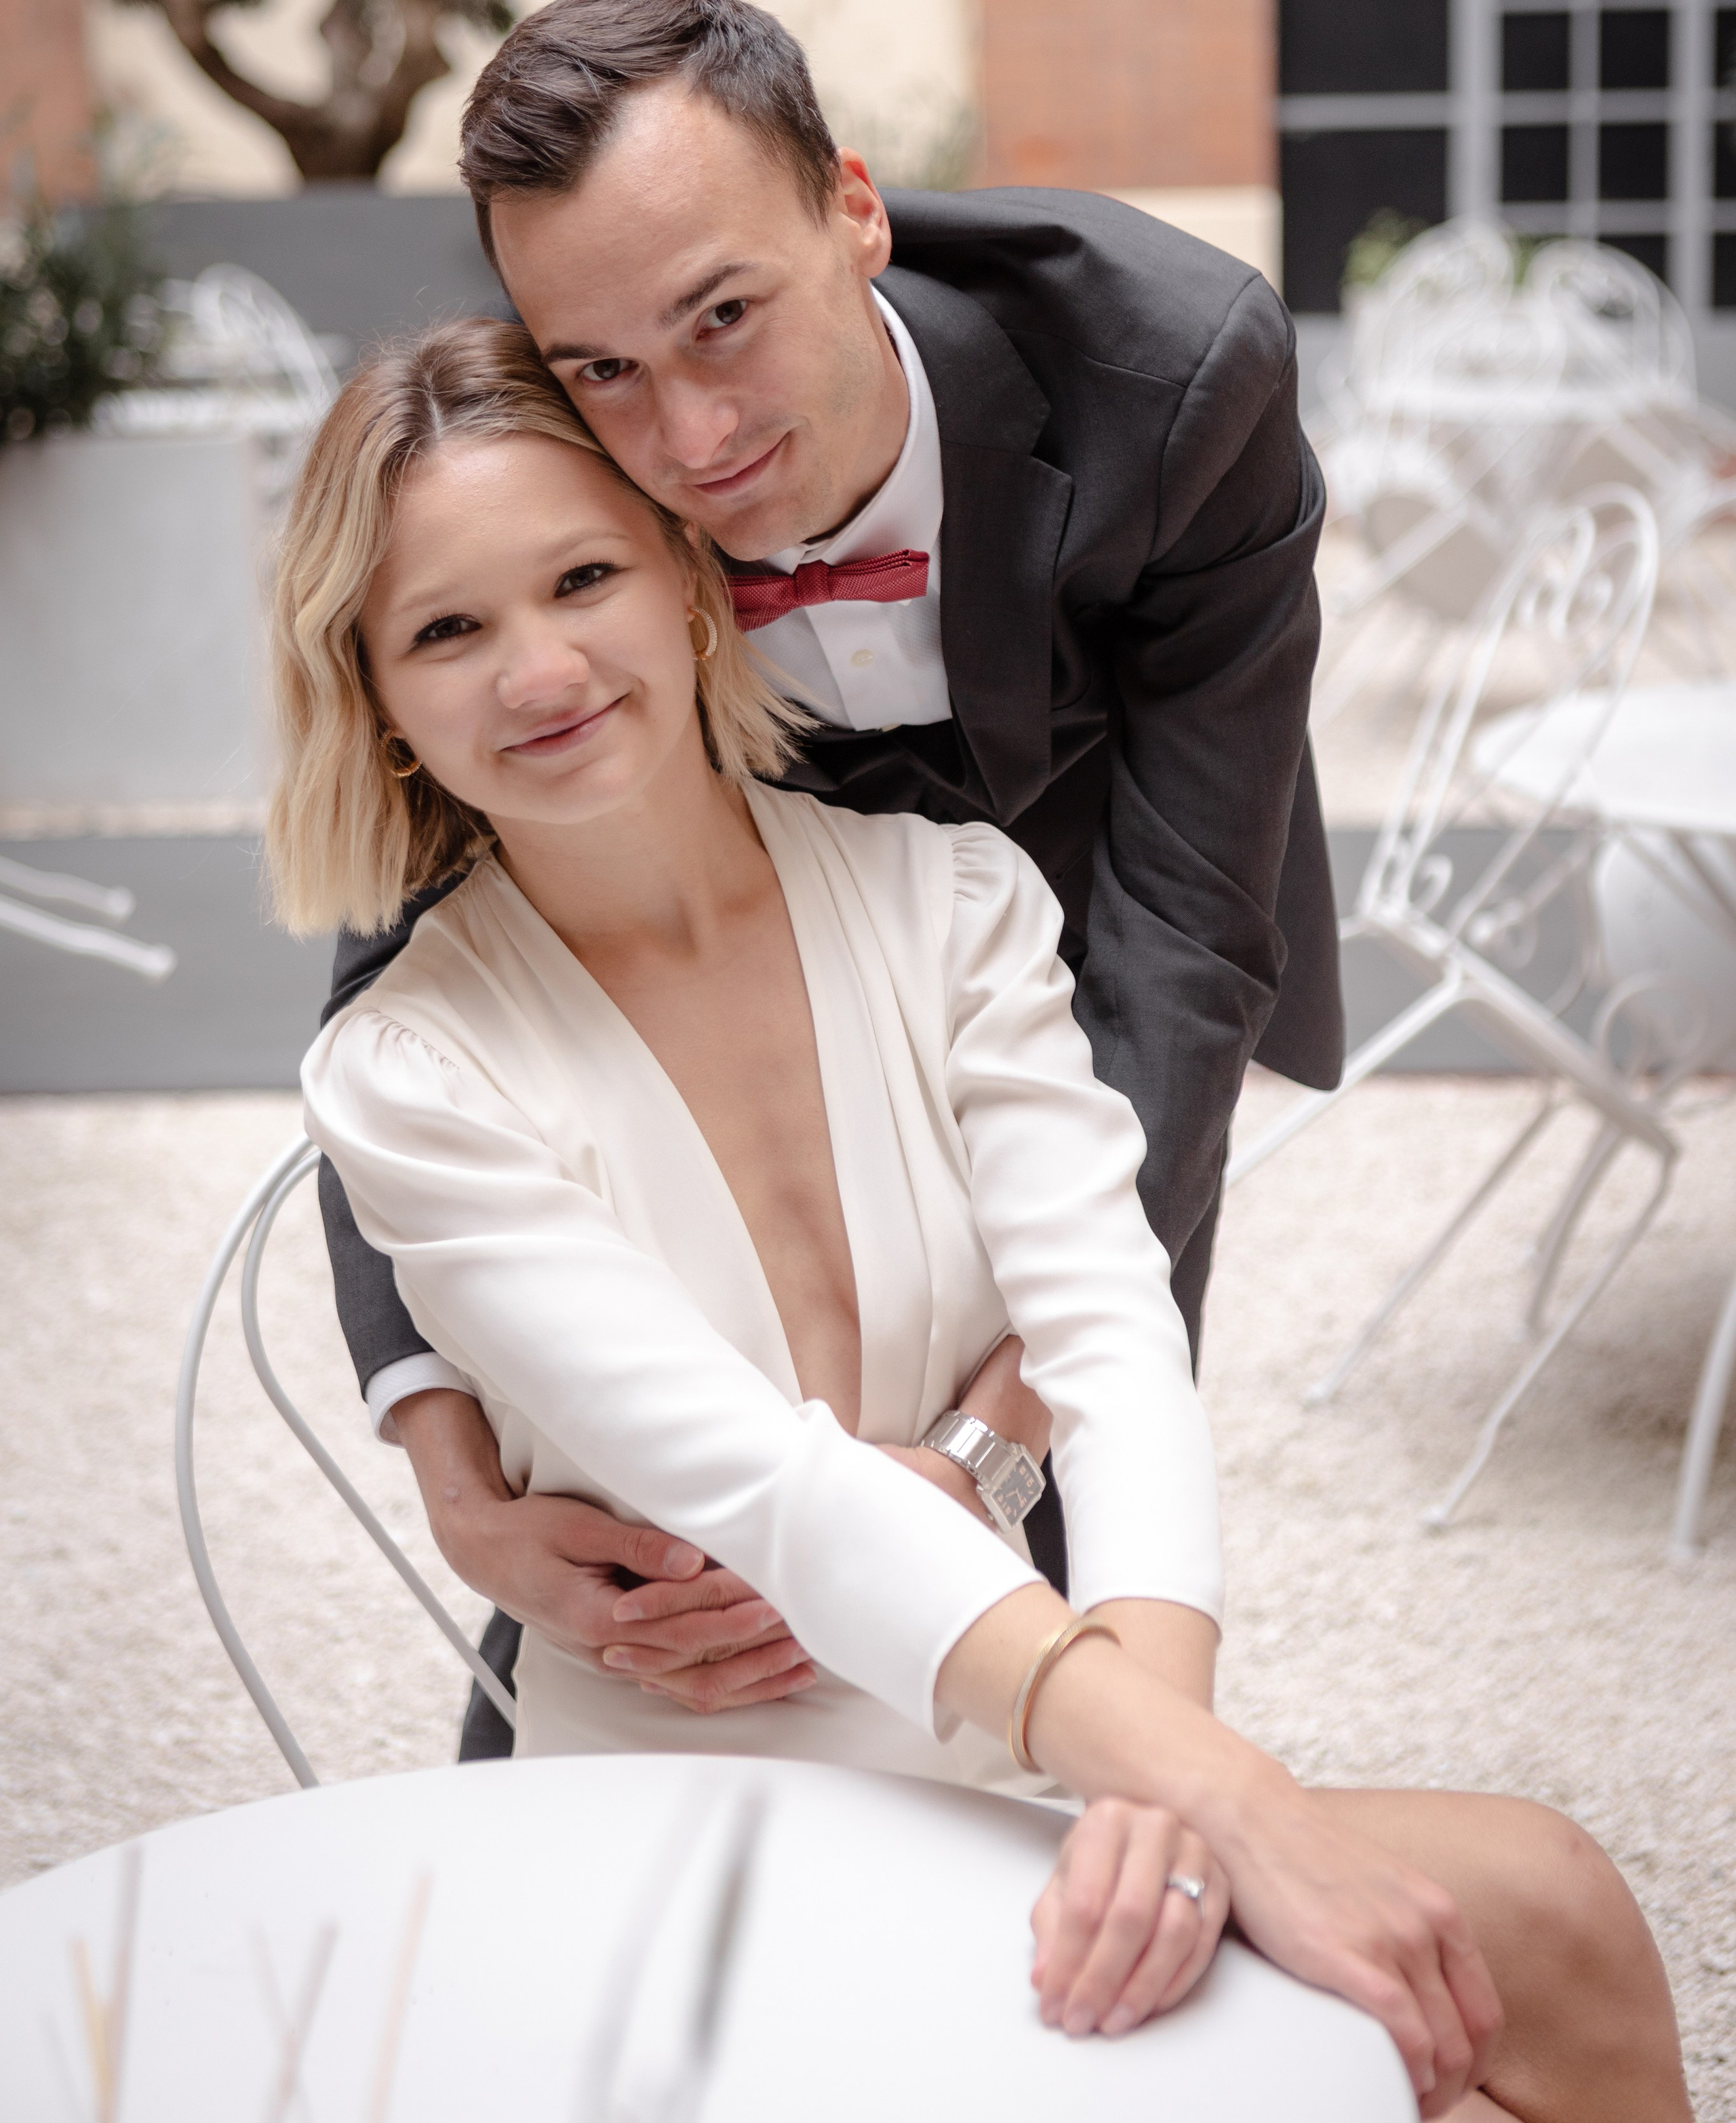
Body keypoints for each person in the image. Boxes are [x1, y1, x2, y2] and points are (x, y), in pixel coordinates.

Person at [275, 326, 1689, 2120]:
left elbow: (1111, 1333)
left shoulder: (947, 898)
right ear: (374, 693)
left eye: (582, 577)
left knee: (1548, 1916)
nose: (539, 668)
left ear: (693, 588)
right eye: (448, 630)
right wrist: (1217, 1797)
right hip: (680, 1818)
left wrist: (1165, 1782)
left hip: (1031, 1738)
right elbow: (769, 1486)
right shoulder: (406, 1076)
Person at [319, 0, 1345, 1750]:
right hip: (715, 937)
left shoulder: (1174, 384)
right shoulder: (572, 445)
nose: (691, 440)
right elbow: (400, 964)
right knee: (647, 1526)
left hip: (1093, 944)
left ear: (855, 209)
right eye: (609, 371)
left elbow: (1183, 947)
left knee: (1075, 1579)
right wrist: (457, 1473)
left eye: (727, 318)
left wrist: (991, 1434)